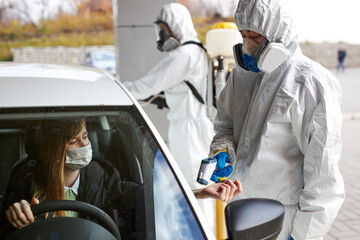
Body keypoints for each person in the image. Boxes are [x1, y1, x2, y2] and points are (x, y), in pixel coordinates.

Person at [209, 0, 345, 239]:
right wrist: (223, 149)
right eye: (243, 35)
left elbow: (323, 174)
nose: (247, 46)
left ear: (279, 35)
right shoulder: (240, 77)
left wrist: (304, 234)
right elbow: (225, 125)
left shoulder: (310, 83)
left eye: (255, 37)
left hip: (285, 220)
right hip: (241, 211)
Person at [1, 119, 240, 231]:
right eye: (74, 142)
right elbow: (5, 224)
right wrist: (13, 215)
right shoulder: (26, 179)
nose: (84, 145)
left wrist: (198, 192)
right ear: (55, 149)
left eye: (85, 136)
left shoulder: (100, 173)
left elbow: (142, 195)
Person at [123, 2, 216, 228]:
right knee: (199, 185)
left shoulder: (183, 54)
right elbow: (184, 89)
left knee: (194, 185)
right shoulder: (197, 49)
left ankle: (202, 232)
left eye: (164, 29)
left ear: (177, 25)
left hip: (188, 131)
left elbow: (147, 86)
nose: (162, 36)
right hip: (196, 126)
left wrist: (117, 87)